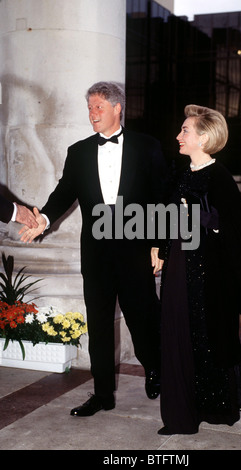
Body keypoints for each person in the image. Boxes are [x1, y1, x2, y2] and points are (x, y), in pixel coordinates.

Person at [19, 81, 166, 416]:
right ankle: (102, 395)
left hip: (135, 249)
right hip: (97, 254)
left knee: (142, 318)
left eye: (98, 106)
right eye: (89, 107)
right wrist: (44, 219)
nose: (92, 114)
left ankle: (155, 367)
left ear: (118, 108)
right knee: (98, 325)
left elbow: (161, 196)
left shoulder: (148, 147)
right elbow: (62, 193)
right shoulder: (79, 151)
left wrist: (160, 244)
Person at [158, 104, 241, 435]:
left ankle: (214, 407)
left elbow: (234, 231)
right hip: (180, 267)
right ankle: (180, 414)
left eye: (185, 130)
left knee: (208, 338)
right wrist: (161, 249)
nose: (178, 135)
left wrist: (201, 217)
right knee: (177, 334)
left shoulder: (220, 177)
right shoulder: (180, 175)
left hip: (211, 274)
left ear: (204, 137)